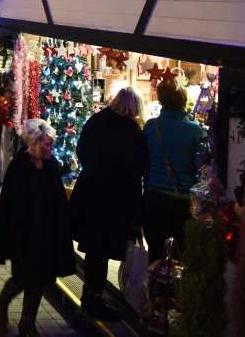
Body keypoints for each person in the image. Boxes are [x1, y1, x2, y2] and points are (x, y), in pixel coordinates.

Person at [69, 87, 148, 321]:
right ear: (135, 108)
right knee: (101, 251)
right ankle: (93, 300)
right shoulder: (133, 132)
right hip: (116, 201)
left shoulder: (96, 121)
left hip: (90, 194)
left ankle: (90, 297)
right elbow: (138, 169)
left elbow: (81, 150)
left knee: (95, 249)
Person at [0, 119, 75, 336]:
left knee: (40, 279)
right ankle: (2, 304)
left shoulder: (52, 165)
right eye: (46, 144)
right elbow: (11, 205)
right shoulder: (20, 166)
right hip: (23, 234)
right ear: (33, 143)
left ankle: (27, 322)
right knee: (22, 277)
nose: (50, 148)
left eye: (51, 144)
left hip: (45, 233)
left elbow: (57, 200)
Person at [143, 79, 206, 263]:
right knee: (181, 257)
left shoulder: (150, 127)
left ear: (161, 100)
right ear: (183, 101)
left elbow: (144, 162)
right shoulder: (195, 131)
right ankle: (175, 292)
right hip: (183, 202)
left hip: (154, 199)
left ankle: (154, 291)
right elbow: (202, 169)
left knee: (155, 254)